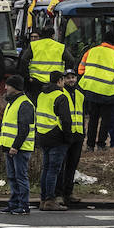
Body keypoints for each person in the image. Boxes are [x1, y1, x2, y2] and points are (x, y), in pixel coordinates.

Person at [77, 32, 114, 151]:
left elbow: (80, 70)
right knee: (106, 120)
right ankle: (101, 144)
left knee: (92, 119)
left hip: (90, 91)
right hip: (108, 93)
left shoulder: (91, 51)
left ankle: (90, 145)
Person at [34, 71, 73, 211]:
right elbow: (66, 120)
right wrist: (69, 138)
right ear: (60, 81)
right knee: (53, 170)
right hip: (57, 136)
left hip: (43, 135)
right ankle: (50, 199)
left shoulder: (41, 94)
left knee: (46, 168)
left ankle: (44, 199)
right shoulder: (61, 96)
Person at [0, 76, 34, 215]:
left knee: (20, 177)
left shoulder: (24, 103)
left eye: (8, 85)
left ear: (16, 87)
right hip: (11, 147)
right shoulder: (12, 102)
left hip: (19, 148)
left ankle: (24, 206)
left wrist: (15, 146)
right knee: (13, 177)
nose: (5, 88)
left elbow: (24, 128)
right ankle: (14, 204)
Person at [55, 69, 86, 206]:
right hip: (65, 134)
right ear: (63, 80)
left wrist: (83, 133)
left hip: (77, 134)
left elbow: (83, 114)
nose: (71, 80)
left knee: (72, 166)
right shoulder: (61, 94)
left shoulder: (80, 94)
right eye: (68, 78)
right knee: (61, 166)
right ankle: (59, 194)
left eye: (73, 77)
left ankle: (68, 193)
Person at [19, 27, 73, 94]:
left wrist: (28, 77)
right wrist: (64, 75)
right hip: (55, 81)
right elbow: (71, 60)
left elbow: (24, 60)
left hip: (36, 81)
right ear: (53, 35)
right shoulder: (60, 46)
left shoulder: (33, 45)